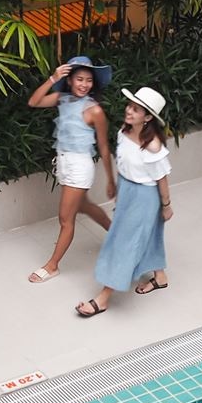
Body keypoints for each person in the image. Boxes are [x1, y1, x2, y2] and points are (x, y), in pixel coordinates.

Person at [76, 86, 172, 317]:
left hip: (146, 197)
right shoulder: (123, 132)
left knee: (125, 243)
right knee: (146, 235)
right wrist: (119, 190)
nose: (129, 111)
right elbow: (125, 165)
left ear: (148, 117)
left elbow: (162, 178)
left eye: (136, 110)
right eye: (130, 106)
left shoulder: (152, 146)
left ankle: (104, 297)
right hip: (128, 190)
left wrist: (166, 206)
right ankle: (160, 277)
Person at [26, 56, 117, 283]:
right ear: (69, 80)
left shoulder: (94, 110)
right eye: (79, 79)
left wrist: (110, 180)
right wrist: (52, 78)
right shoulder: (62, 98)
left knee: (66, 219)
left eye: (88, 80)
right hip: (64, 163)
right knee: (84, 206)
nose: (84, 84)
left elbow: (104, 147)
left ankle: (52, 265)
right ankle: (118, 233)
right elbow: (34, 102)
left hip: (79, 166)